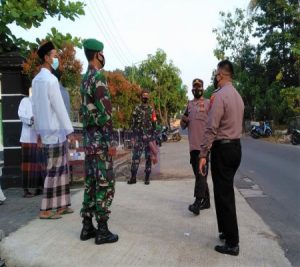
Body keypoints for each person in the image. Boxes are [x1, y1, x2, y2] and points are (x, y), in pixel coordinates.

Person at [199, 60, 244, 256]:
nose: (215, 77)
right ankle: (225, 232)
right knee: (223, 192)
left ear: (221, 75)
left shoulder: (219, 96)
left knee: (224, 195)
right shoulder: (237, 96)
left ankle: (232, 242)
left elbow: (211, 127)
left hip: (222, 149)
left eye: (216, 74)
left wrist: (203, 154)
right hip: (236, 148)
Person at [79, 38, 118, 245]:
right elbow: (106, 113)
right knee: (105, 184)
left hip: (89, 142)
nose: (103, 55)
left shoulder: (84, 79)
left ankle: (87, 227)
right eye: (102, 52)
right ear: (97, 54)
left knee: (90, 184)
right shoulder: (99, 78)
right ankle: (102, 230)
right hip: (101, 142)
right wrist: (110, 142)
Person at [32, 41, 74, 220]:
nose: (57, 59)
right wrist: (70, 130)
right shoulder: (51, 80)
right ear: (47, 58)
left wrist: (38, 132)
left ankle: (62, 205)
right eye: (55, 56)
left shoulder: (35, 80)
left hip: (46, 131)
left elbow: (35, 108)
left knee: (61, 169)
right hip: (56, 132)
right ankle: (46, 209)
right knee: (54, 172)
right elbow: (59, 107)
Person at [180, 78, 210, 216]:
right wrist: (183, 120)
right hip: (193, 147)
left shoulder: (209, 103)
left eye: (199, 87)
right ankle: (207, 201)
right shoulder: (189, 105)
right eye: (195, 87)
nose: (197, 89)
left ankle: (198, 203)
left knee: (201, 175)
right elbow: (183, 125)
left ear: (203, 88)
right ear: (192, 89)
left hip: (204, 147)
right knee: (200, 176)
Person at [18, 92, 45, 198]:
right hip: (27, 138)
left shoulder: (42, 103)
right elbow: (21, 115)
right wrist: (31, 118)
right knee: (27, 165)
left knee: (39, 164)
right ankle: (27, 190)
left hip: (39, 138)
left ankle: (39, 187)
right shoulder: (25, 101)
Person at [127, 89, 157, 185]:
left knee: (148, 157)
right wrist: (132, 136)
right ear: (141, 97)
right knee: (136, 157)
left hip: (148, 138)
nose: (145, 97)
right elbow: (132, 122)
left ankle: (147, 178)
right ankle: (133, 177)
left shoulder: (151, 109)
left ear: (148, 97)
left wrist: (153, 137)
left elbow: (154, 123)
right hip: (138, 137)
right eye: (144, 95)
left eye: (147, 95)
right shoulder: (136, 109)